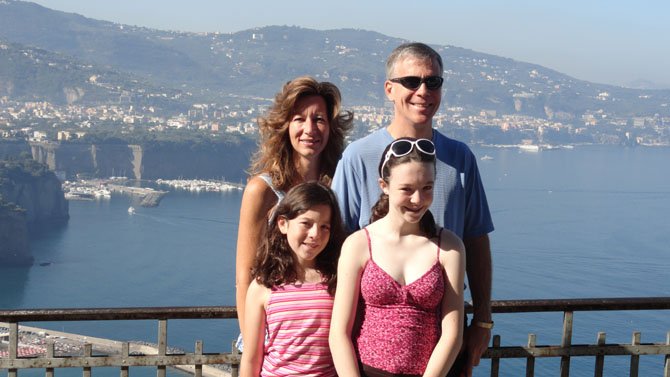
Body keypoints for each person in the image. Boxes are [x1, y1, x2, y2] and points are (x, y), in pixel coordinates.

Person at [331, 42, 494, 377]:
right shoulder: (358, 157)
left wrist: (482, 318)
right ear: (389, 89)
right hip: (368, 345)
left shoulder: (460, 158)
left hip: (443, 341)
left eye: (433, 82)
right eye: (411, 82)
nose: (423, 91)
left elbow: (477, 241)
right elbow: (334, 244)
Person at [329, 138, 465, 376]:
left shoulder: (449, 247)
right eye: (407, 189)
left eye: (427, 188)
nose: (418, 200)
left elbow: (452, 334)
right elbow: (339, 333)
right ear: (384, 185)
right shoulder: (359, 244)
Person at [235, 76, 353, 349]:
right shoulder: (262, 191)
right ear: (285, 126)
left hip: (328, 338)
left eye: (319, 119)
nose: (310, 129)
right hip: (274, 340)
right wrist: (257, 345)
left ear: (331, 128)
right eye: (299, 119)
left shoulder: (341, 187)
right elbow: (245, 275)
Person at [240, 182, 346, 377]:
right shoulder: (263, 286)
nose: (315, 234)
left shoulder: (337, 281)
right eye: (306, 223)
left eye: (324, 227)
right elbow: (251, 358)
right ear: (283, 224)